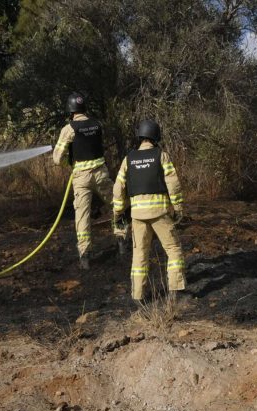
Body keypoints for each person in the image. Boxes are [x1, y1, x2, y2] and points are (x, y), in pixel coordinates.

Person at [112, 119, 186, 303]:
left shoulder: (128, 159)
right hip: (160, 213)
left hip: (137, 215)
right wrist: (178, 208)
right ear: (155, 136)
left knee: (139, 256)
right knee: (173, 249)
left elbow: (118, 188)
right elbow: (173, 184)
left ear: (141, 136)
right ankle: (175, 291)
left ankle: (138, 297)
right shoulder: (161, 155)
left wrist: (119, 213)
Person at [52, 92, 114, 270]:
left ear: (70, 111)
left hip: (81, 177)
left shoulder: (69, 129)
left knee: (82, 216)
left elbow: (57, 159)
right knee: (116, 204)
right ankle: (122, 238)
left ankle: (85, 255)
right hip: (102, 174)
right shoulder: (97, 124)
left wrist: (67, 162)